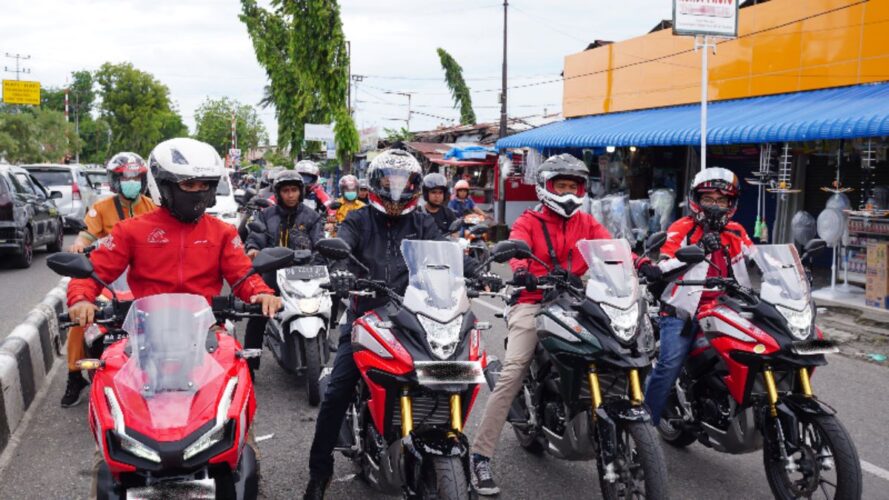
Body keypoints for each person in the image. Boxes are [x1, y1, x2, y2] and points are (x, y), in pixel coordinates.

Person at [302, 149, 498, 499]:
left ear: (414, 186)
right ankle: (320, 474)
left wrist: (478, 271)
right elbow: (340, 247)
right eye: (388, 183)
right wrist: (340, 271)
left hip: (417, 316)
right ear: (376, 184)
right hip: (368, 315)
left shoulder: (422, 222)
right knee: (336, 392)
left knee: (455, 371)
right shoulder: (358, 220)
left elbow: (444, 251)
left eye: (402, 183)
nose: (395, 191)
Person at [468, 154, 613, 496]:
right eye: (560, 185)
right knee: (513, 371)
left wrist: (641, 265)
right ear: (546, 187)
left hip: (575, 304)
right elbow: (518, 252)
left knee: (616, 350)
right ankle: (480, 457)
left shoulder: (587, 222)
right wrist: (522, 271)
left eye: (572, 185)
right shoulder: (529, 221)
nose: (567, 192)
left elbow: (610, 248)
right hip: (532, 302)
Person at [66, 137, 281, 329]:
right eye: (188, 184)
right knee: (108, 369)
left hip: (205, 329)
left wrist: (261, 293)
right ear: (163, 186)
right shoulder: (130, 230)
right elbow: (94, 271)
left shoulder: (223, 232)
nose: (198, 192)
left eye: (204, 185)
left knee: (239, 370)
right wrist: (81, 299)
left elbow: (242, 275)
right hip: (146, 331)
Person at [640, 167, 754, 426]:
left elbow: (755, 256)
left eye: (722, 200)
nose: (715, 205)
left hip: (726, 308)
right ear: (697, 200)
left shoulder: (736, 230)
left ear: (731, 204)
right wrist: (699, 249)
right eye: (709, 199)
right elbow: (663, 266)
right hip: (684, 311)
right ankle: (644, 428)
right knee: (669, 365)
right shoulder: (683, 228)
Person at [61, 152, 157, 407]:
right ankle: (74, 375)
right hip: (110, 281)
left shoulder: (153, 208)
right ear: (115, 181)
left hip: (142, 280)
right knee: (80, 319)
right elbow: (86, 236)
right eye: (126, 177)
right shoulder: (101, 209)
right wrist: (78, 247)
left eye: (136, 177)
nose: (131, 181)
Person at [243, 169, 324, 377]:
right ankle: (250, 366)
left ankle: (325, 340)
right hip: (272, 274)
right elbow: (255, 237)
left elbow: (320, 246)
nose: (290, 195)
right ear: (278, 193)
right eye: (286, 190)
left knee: (325, 304)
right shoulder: (266, 215)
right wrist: (253, 249)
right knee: (257, 315)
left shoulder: (312, 217)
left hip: (305, 275)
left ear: (301, 192)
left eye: (294, 190)